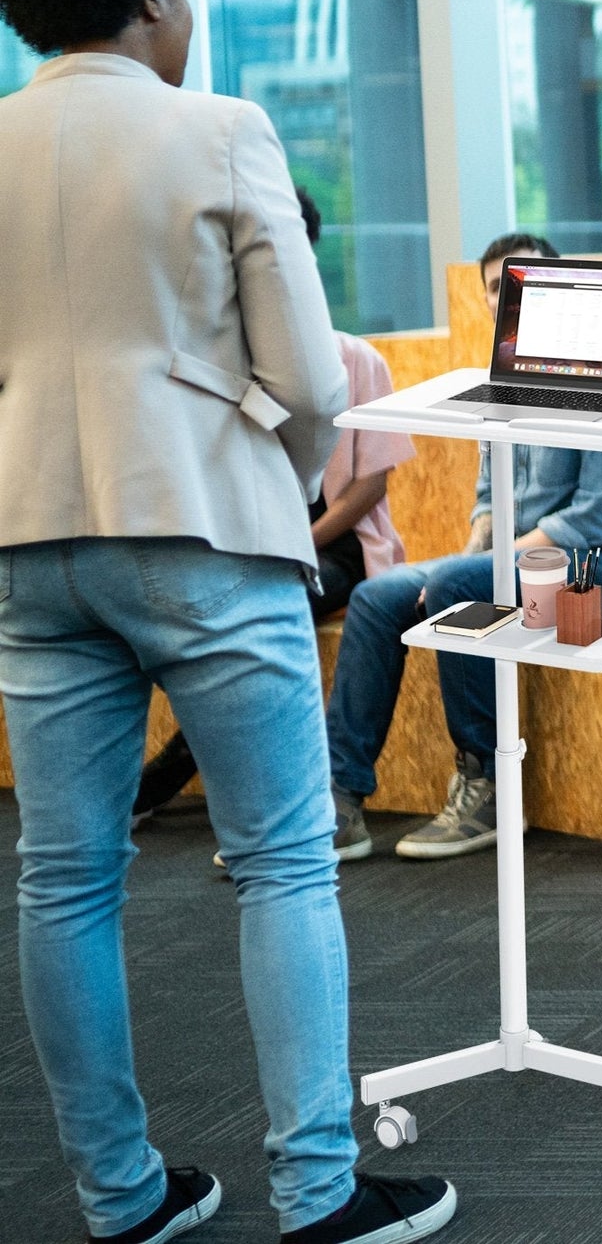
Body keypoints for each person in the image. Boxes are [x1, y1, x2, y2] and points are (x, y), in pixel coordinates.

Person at [0, 0, 454, 1244]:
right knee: (283, 864)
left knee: (62, 879)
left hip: (29, 541)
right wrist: (262, 449)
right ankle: (318, 1194)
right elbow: (313, 381)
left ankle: (122, 1194)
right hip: (205, 532)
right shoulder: (219, 131)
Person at [327, 232, 602, 862]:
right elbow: (490, 505)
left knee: (459, 589)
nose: (518, 297)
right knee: (378, 596)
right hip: (533, 558)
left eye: (534, 283)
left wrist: (477, 571)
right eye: (501, 287)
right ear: (491, 303)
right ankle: (340, 799)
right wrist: (470, 558)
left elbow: (599, 515)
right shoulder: (501, 383)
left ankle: (489, 788)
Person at [133, 186, 416, 825]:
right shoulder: (227, 362)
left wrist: (301, 538)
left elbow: (370, 486)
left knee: (260, 612)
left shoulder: (355, 359)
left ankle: (181, 774)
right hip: (255, 538)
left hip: (332, 542)